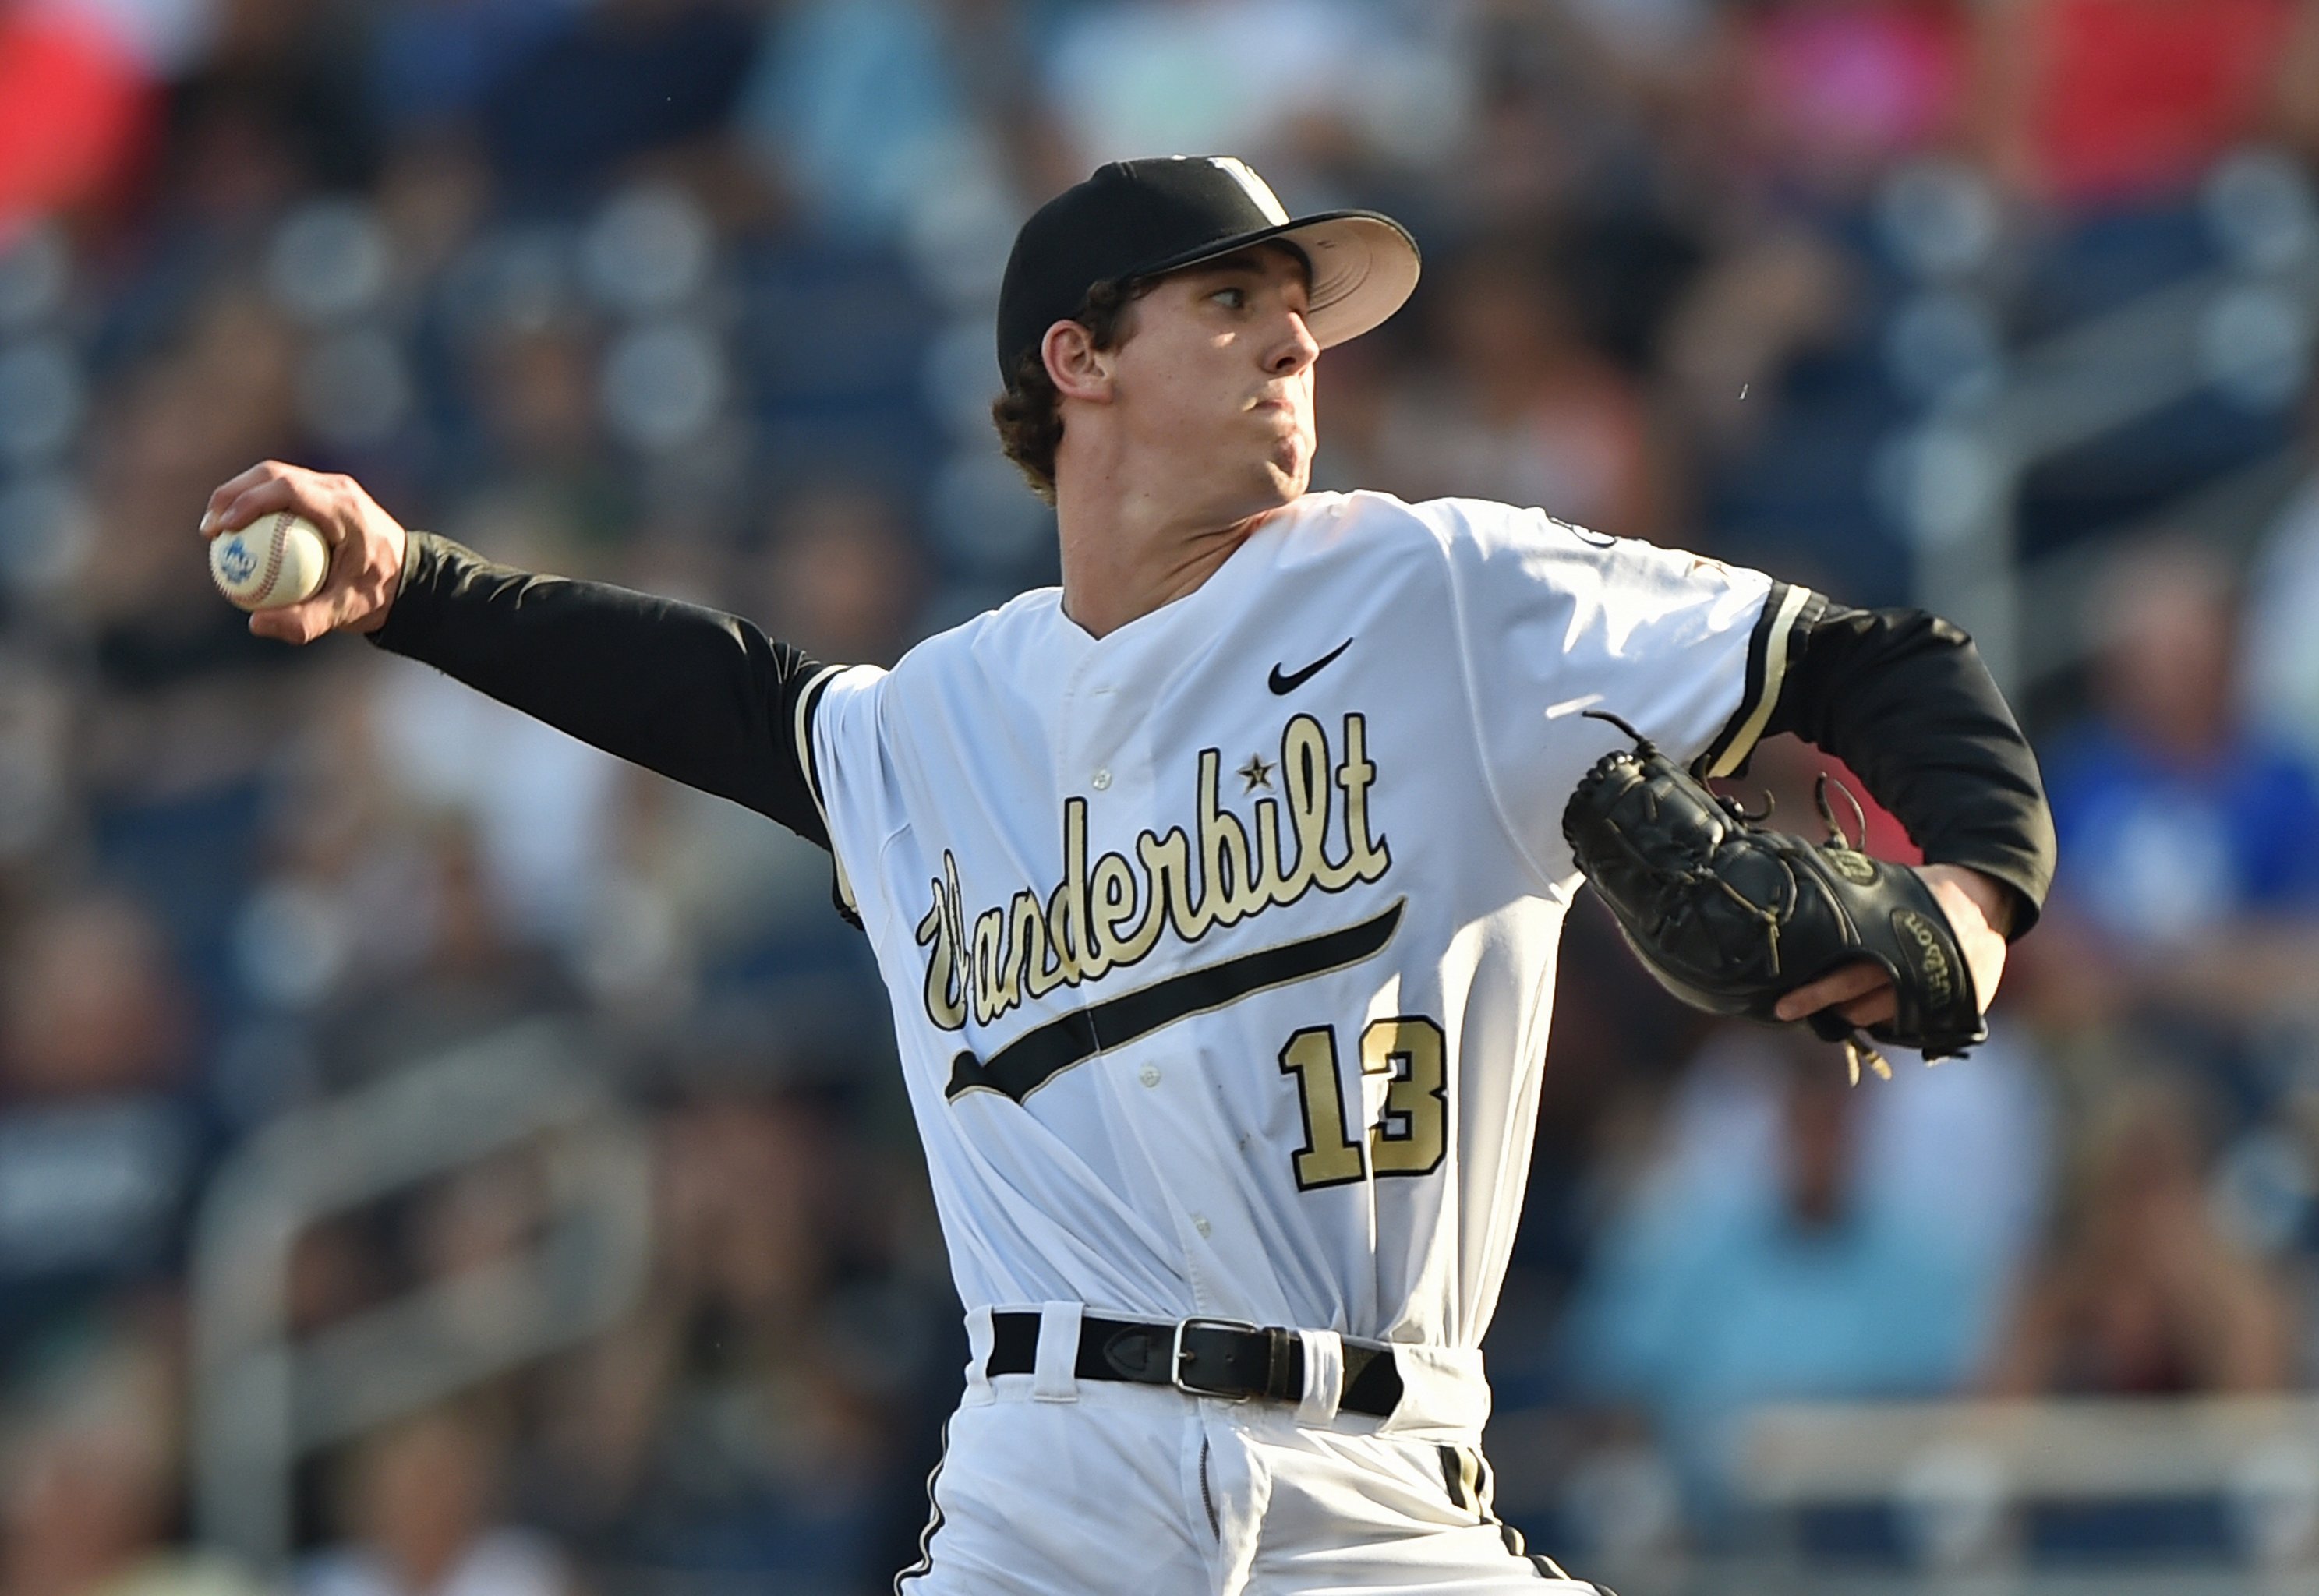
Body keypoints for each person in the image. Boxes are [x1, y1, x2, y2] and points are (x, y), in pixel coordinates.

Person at [200, 156, 2052, 1594]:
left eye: (1304, 313)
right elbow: (717, 695)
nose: (1294, 340)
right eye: (1233, 298)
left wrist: (1968, 905)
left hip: (1382, 1485)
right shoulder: (939, 728)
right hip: (1055, 1488)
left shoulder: (1444, 594)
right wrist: (416, 584)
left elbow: (1882, 661)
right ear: (1075, 361)